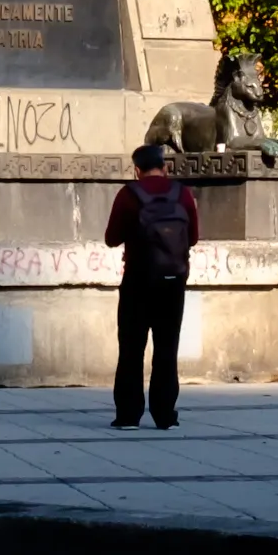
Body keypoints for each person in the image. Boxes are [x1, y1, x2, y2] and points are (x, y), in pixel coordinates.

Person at [104, 141, 200, 429]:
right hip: (173, 283)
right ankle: (165, 415)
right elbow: (193, 237)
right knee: (167, 349)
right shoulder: (182, 194)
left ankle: (129, 415)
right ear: (165, 167)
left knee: (131, 348)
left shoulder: (128, 194)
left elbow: (111, 238)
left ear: (136, 170)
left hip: (137, 282)